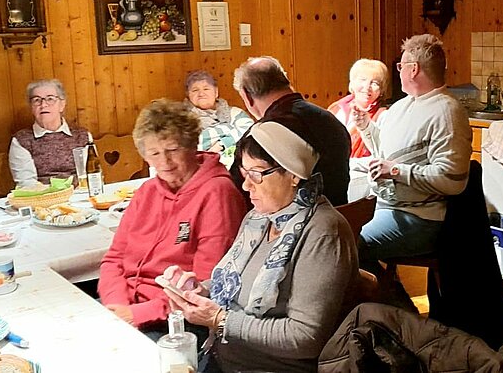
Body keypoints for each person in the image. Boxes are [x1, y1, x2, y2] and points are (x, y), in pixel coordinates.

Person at [163, 121, 359, 373]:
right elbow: (238, 286)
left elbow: (304, 337)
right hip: (223, 358)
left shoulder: (323, 232)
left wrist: (219, 319)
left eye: (257, 175)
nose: (246, 186)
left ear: (293, 174)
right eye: (244, 174)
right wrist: (198, 291)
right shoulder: (259, 218)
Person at [98, 99, 246, 335]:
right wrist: (117, 306)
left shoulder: (218, 193)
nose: (164, 162)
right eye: (154, 153)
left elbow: (204, 285)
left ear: (192, 145)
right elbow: (114, 259)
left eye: (173, 150)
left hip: (177, 318)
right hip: (124, 307)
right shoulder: (147, 191)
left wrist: (137, 314)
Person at [353, 34, 472, 265]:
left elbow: (452, 180)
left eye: (401, 66)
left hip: (419, 219)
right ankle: (383, 286)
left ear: (413, 69)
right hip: (384, 205)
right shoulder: (401, 105)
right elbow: (384, 153)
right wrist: (366, 126)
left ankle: (382, 287)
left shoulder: (447, 112)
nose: (398, 72)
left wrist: (396, 171)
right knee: (335, 236)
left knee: (347, 245)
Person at [231, 55, 351, 206]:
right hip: (341, 215)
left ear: (247, 96)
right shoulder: (330, 120)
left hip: (297, 219)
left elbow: (235, 195)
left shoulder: (260, 138)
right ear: (286, 81)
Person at [8, 79, 90, 187]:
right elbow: (27, 183)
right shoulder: (21, 140)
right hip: (41, 196)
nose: (43, 105)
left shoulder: (82, 136)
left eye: (50, 99)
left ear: (62, 104)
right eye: (37, 100)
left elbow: (92, 174)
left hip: (80, 194)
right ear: (31, 107)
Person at [183, 70, 253, 165]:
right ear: (188, 95)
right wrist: (229, 131)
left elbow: (250, 131)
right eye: (195, 90)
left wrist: (221, 144)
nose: (201, 94)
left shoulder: (235, 112)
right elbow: (190, 145)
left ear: (216, 92)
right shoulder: (182, 118)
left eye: (206, 89)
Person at [328, 58, 389, 158]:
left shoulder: (384, 115)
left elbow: (383, 151)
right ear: (352, 83)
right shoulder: (336, 108)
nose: (367, 87)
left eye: (375, 83)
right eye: (362, 80)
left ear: (381, 90)